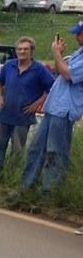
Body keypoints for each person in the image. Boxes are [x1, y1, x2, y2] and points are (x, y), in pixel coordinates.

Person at [20, 22, 83, 194]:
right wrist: (59, 55)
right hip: (54, 108)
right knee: (35, 149)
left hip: (64, 111)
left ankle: (49, 192)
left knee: (55, 152)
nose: (77, 37)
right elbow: (58, 69)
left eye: (79, 33)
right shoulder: (78, 54)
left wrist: (56, 53)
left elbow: (67, 74)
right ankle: (26, 188)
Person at [0, 36, 52, 173]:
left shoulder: (39, 69)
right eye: (19, 49)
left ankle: (11, 175)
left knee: (17, 149)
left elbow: (51, 87)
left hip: (23, 115)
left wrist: (38, 103)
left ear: (31, 51)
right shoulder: (9, 65)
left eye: (25, 49)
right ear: (15, 50)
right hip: (4, 113)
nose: (22, 52)